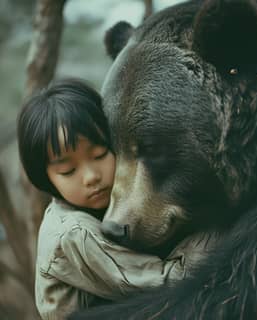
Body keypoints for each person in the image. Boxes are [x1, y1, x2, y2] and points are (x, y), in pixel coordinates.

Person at [17, 78, 201, 320]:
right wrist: (219, 228)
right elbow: (165, 280)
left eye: (100, 154)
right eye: (68, 171)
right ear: (46, 179)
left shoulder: (111, 203)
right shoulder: (74, 234)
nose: (91, 177)